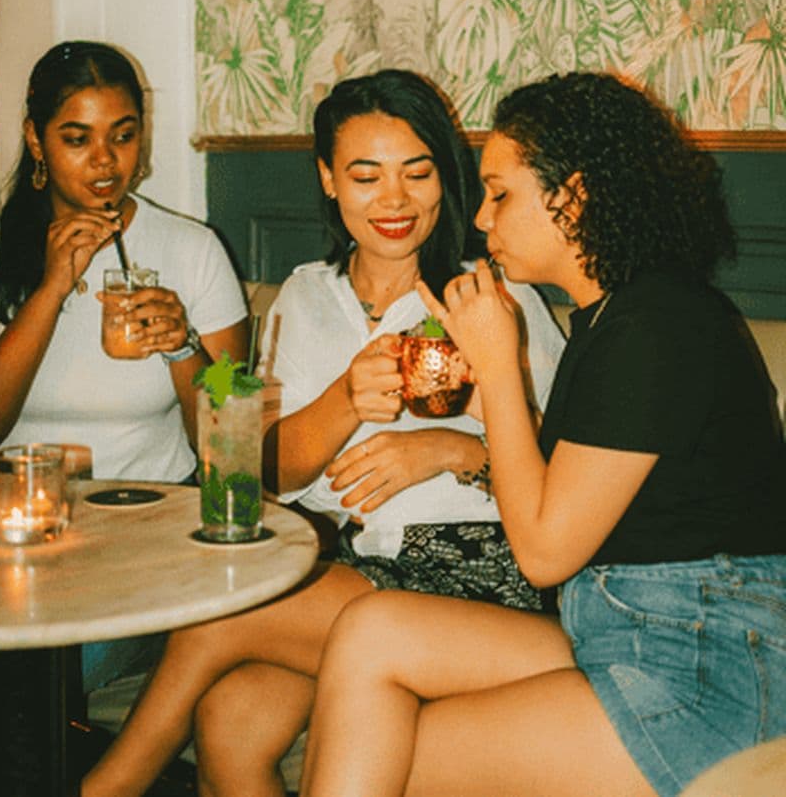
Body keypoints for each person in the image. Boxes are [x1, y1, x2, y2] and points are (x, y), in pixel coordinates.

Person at [299, 71, 786, 797]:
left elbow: (544, 554)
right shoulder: (615, 312)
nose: (483, 220)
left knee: (400, 758)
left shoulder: (657, 325)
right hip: (620, 628)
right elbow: (557, 485)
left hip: (707, 662)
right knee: (373, 627)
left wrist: (499, 365)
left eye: (501, 195)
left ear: (574, 196)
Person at [82, 68, 565, 797]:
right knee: (229, 722)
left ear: (447, 177)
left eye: (418, 172)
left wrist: (451, 448)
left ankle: (101, 789)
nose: (395, 200)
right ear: (329, 181)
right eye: (366, 176)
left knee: (223, 611)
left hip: (476, 573)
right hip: (352, 566)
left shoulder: (495, 292)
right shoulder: (307, 294)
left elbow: (569, 478)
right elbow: (272, 472)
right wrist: (344, 398)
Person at [0, 40, 250, 689]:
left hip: (146, 531)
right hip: (14, 537)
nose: (105, 161)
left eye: (123, 135)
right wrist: (50, 289)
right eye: (77, 138)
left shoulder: (192, 250)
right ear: (36, 140)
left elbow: (231, 435)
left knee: (57, 675)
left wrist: (185, 345)